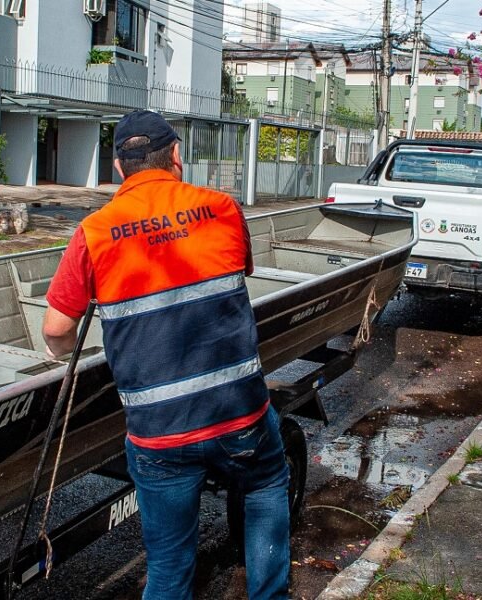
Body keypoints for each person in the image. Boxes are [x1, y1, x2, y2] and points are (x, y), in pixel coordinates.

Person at [42, 110, 290, 600]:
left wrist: (92, 347)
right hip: (239, 417)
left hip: (160, 435)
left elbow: (56, 331)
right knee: (265, 485)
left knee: (170, 567)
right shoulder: (221, 208)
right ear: (176, 155)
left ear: (118, 167)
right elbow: (236, 270)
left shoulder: (95, 232)